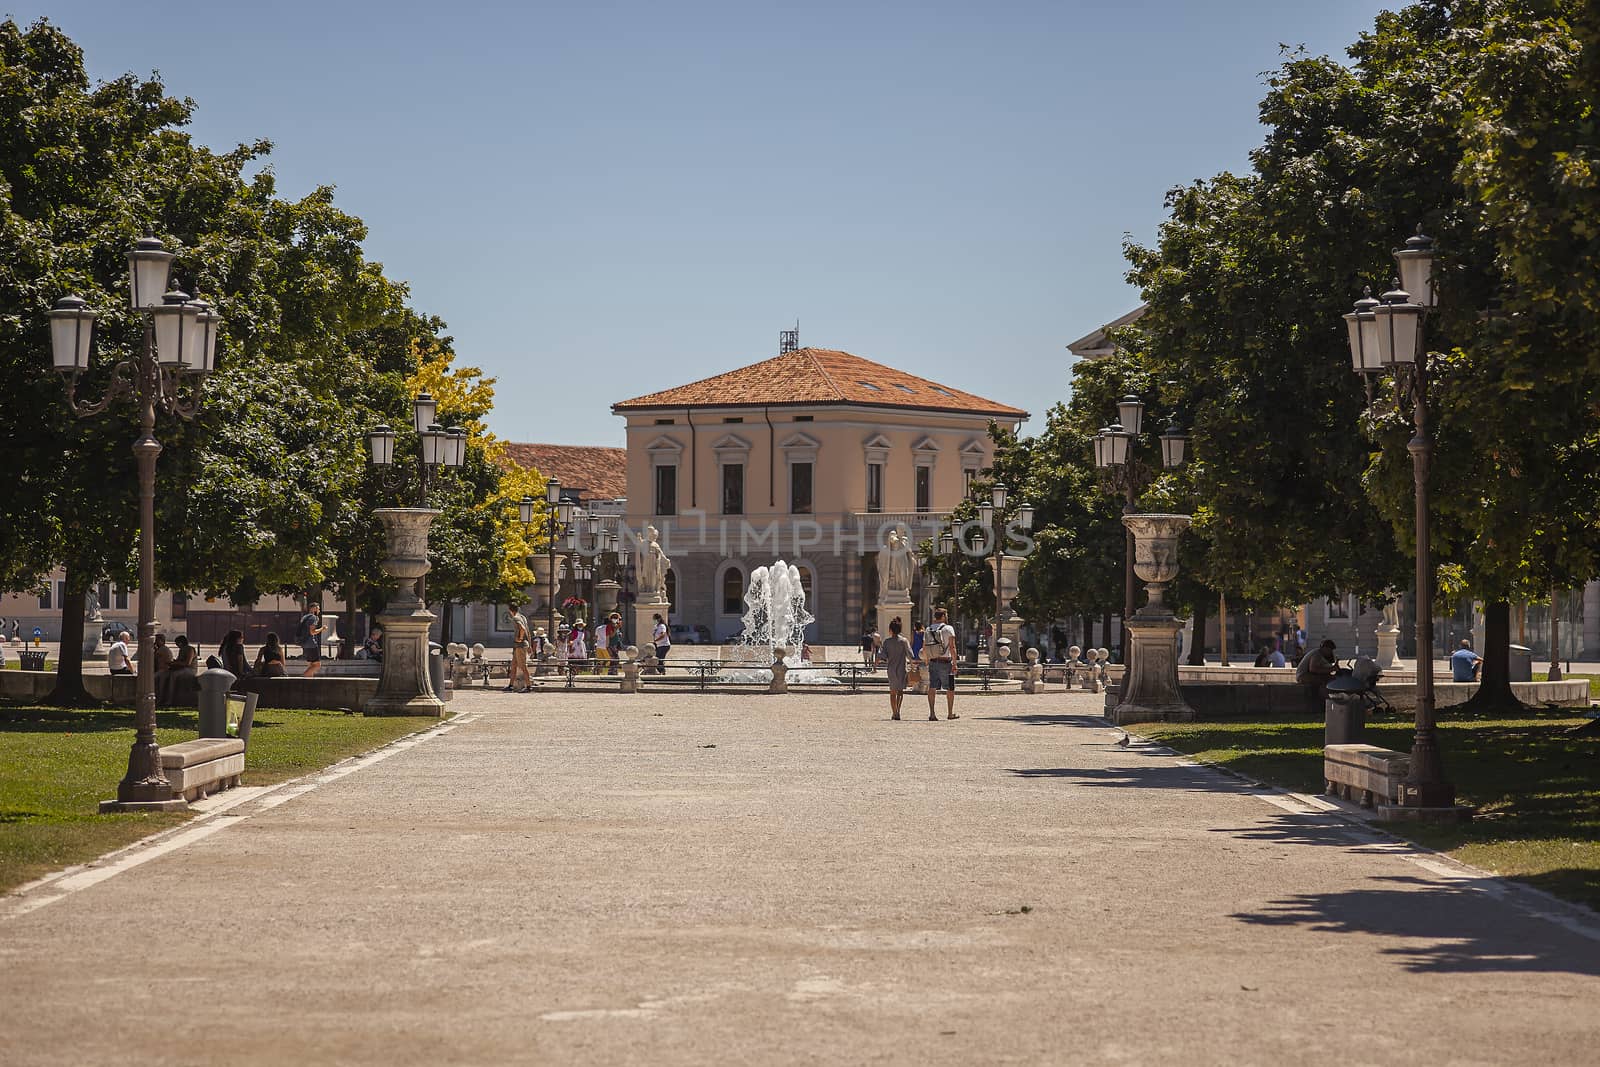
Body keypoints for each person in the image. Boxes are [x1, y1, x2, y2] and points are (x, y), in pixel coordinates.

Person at [923, 607, 958, 721]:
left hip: (933, 660)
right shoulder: (949, 628)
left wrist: (927, 659)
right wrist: (955, 662)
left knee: (932, 687)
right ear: (943, 616)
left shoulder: (928, 629)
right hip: (945, 661)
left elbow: (925, 647)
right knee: (950, 688)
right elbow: (952, 647)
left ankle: (932, 713)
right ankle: (950, 713)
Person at [882, 617, 913, 720]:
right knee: (900, 691)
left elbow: (882, 656)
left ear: (890, 630)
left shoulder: (887, 642)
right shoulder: (904, 641)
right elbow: (910, 654)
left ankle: (894, 712)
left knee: (892, 692)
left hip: (891, 669)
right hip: (901, 668)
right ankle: (898, 711)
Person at [1296, 638, 1338, 711]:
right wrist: (1331, 669)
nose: (1330, 652)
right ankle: (1324, 703)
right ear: (1325, 648)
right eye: (1329, 650)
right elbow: (1313, 669)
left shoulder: (1320, 654)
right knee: (1324, 682)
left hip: (1308, 675)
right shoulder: (1317, 654)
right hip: (1303, 676)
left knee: (1330, 679)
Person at [507, 603, 532, 693]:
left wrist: (520, 638)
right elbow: (528, 631)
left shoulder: (516, 618)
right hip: (520, 645)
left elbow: (522, 629)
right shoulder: (523, 617)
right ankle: (510, 685)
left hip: (520, 645)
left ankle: (529, 686)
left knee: (523, 666)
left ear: (510, 610)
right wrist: (530, 645)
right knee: (513, 665)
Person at [298, 602, 324, 678]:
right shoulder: (314, 617)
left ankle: (309, 682)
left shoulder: (305, 617)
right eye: (318, 608)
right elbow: (312, 632)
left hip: (305, 644)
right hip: (311, 644)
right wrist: (322, 628)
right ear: (314, 609)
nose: (319, 610)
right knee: (317, 665)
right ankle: (303, 679)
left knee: (312, 665)